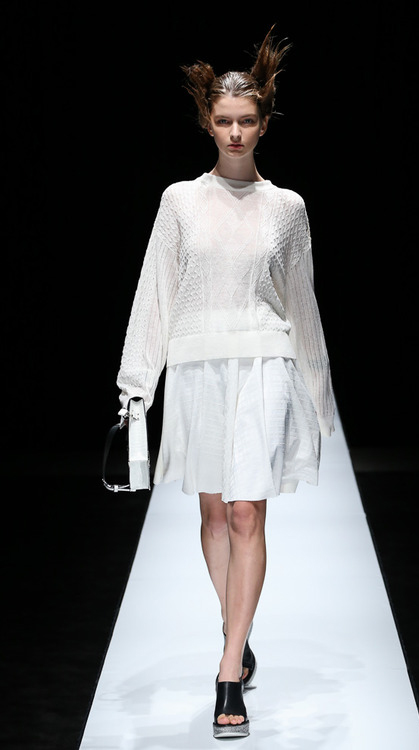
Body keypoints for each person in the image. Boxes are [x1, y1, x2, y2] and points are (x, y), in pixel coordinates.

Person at [115, 28, 335, 740]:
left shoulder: (288, 208)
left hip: (265, 361)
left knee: (246, 514)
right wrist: (136, 385)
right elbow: (155, 291)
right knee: (212, 515)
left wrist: (318, 392)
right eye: (223, 120)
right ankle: (235, 625)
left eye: (246, 120)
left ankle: (229, 669)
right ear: (207, 123)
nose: (235, 132)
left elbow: (302, 303)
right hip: (198, 365)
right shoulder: (179, 201)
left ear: (264, 123)